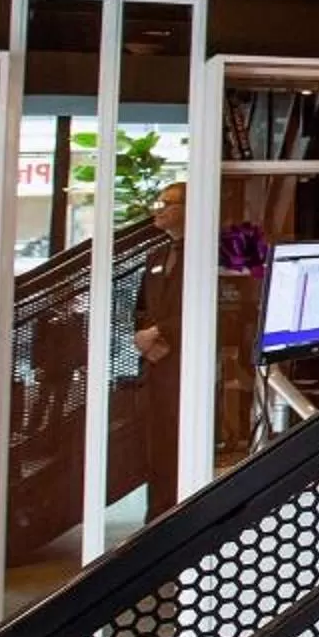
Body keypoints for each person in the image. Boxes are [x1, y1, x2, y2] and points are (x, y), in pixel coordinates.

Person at [129, 182, 188, 517]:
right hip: (154, 366)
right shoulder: (156, 255)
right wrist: (144, 337)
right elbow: (140, 308)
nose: (159, 208)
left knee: (180, 442)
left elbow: (215, 306)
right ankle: (157, 514)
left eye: (168, 203)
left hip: (184, 363)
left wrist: (162, 333)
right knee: (156, 446)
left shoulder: (210, 253)